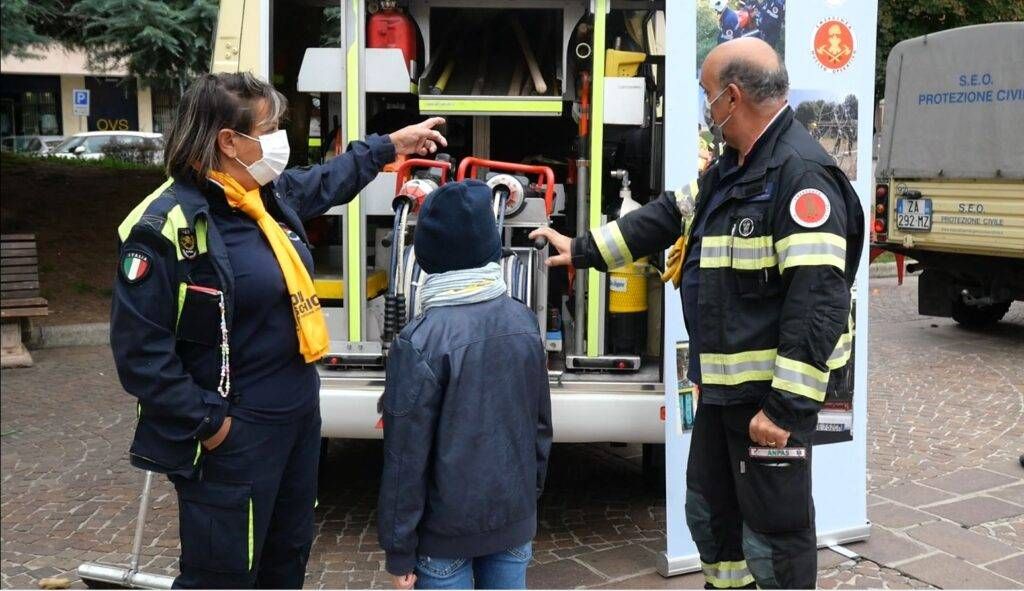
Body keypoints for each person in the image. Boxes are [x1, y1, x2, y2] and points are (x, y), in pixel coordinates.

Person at [531, 38, 864, 589]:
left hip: (767, 401)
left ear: (733, 98)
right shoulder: (735, 166)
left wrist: (782, 411)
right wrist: (584, 249)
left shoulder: (801, 177)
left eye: (708, 95)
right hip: (723, 392)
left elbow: (817, 304)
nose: (706, 107)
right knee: (712, 517)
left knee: (775, 536)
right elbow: (666, 215)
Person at [109, 72, 446, 589]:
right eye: (269, 128)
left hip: (296, 426)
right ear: (229, 141)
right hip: (232, 438)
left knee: (284, 565)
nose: (278, 141)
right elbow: (141, 354)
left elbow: (325, 180)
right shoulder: (163, 228)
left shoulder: (264, 195)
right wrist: (211, 424)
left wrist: (387, 148)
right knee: (220, 578)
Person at [377, 180, 553, 590]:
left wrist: (399, 550)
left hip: (444, 537)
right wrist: (527, 501)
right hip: (513, 522)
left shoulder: (418, 340)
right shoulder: (525, 322)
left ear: (427, 254)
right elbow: (540, 428)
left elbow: (405, 459)